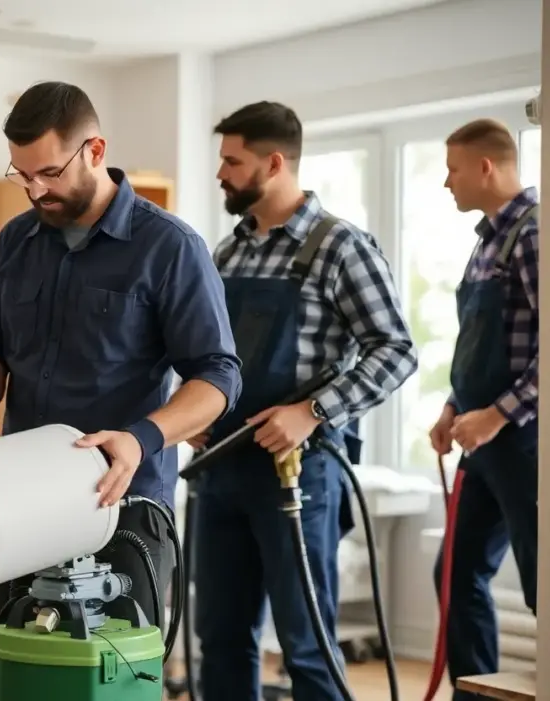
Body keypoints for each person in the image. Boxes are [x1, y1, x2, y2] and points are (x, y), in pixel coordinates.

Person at [0, 81, 243, 630]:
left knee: (113, 680)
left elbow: (218, 376)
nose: (34, 190)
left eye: (49, 173)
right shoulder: (15, 242)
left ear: (95, 151)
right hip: (21, 502)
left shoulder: (170, 247)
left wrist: (141, 438)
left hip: (121, 506)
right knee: (20, 671)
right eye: (22, 173)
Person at [191, 101, 417, 701]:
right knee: (221, 639)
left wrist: (311, 411)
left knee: (305, 643)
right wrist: (198, 411)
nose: (221, 173)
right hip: (222, 470)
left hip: (295, 476)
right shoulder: (229, 252)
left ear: (273, 162)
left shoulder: (340, 247)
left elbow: (395, 350)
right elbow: (212, 356)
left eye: (232, 162)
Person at [428, 118, 538, 699]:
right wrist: (454, 407)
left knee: (544, 586)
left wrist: (497, 414)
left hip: (523, 442)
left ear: (485, 167)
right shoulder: (487, 238)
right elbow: (481, 340)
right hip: (481, 443)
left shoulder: (534, 231)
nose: (447, 182)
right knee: (454, 575)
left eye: (452, 169)